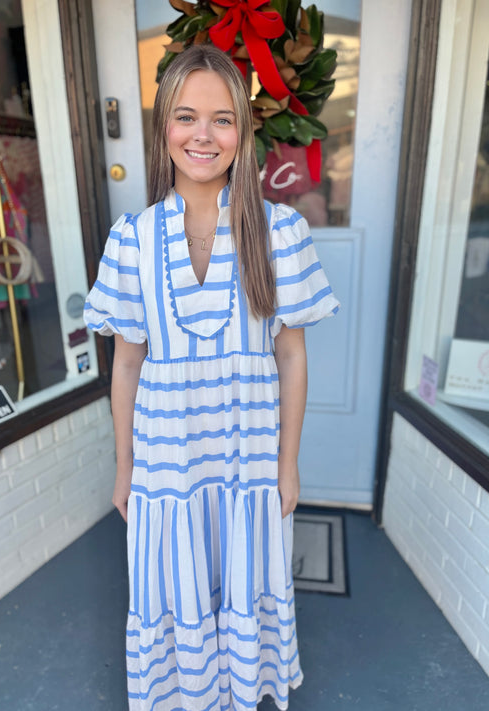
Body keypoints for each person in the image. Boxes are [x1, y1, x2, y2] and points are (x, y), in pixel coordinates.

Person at [84, 44, 339, 711]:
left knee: (244, 579)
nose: (203, 135)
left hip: (249, 457)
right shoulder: (132, 239)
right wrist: (124, 467)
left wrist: (287, 464)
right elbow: (127, 363)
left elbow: (291, 355)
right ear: (163, 125)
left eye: (222, 119)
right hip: (168, 465)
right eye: (186, 116)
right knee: (176, 585)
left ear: (243, 133)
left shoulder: (277, 232)